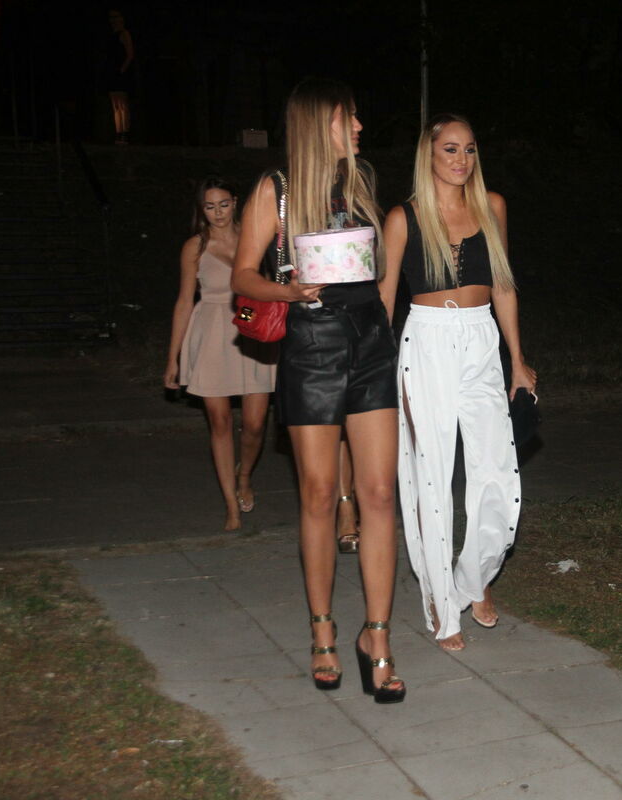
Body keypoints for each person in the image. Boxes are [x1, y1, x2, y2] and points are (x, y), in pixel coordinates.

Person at [231, 78, 405, 703]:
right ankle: (323, 629)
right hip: (310, 344)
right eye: (347, 117)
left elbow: (376, 268)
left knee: (379, 492)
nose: (358, 126)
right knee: (319, 493)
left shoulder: (362, 180)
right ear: (317, 124)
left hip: (370, 338)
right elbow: (243, 276)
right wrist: (288, 290)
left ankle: (377, 637)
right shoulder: (275, 190)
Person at [380, 113, 536, 651]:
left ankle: (475, 578)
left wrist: (517, 359)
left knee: (496, 473)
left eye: (469, 149)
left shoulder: (492, 206)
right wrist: (375, 371)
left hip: (481, 338)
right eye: (450, 149)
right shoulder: (403, 217)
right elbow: (384, 298)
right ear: (428, 154)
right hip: (426, 341)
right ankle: (442, 606)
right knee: (430, 477)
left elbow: (504, 286)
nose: (461, 160)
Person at [164, 178, 273, 532]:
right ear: (202, 210)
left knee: (255, 424)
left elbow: (266, 286)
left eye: (224, 204)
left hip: (249, 328)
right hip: (210, 331)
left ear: (235, 202)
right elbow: (184, 301)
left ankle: (244, 476)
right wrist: (172, 357)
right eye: (210, 207)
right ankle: (230, 504)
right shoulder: (194, 247)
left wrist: (250, 320)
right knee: (220, 421)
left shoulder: (254, 237)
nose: (218, 213)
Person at [105, 9, 134, 144]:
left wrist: (122, 70)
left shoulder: (124, 34)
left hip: (120, 72)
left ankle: (125, 133)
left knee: (122, 104)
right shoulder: (112, 35)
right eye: (112, 17)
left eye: (116, 17)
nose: (114, 20)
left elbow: (130, 54)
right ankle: (118, 132)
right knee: (115, 105)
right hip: (112, 72)